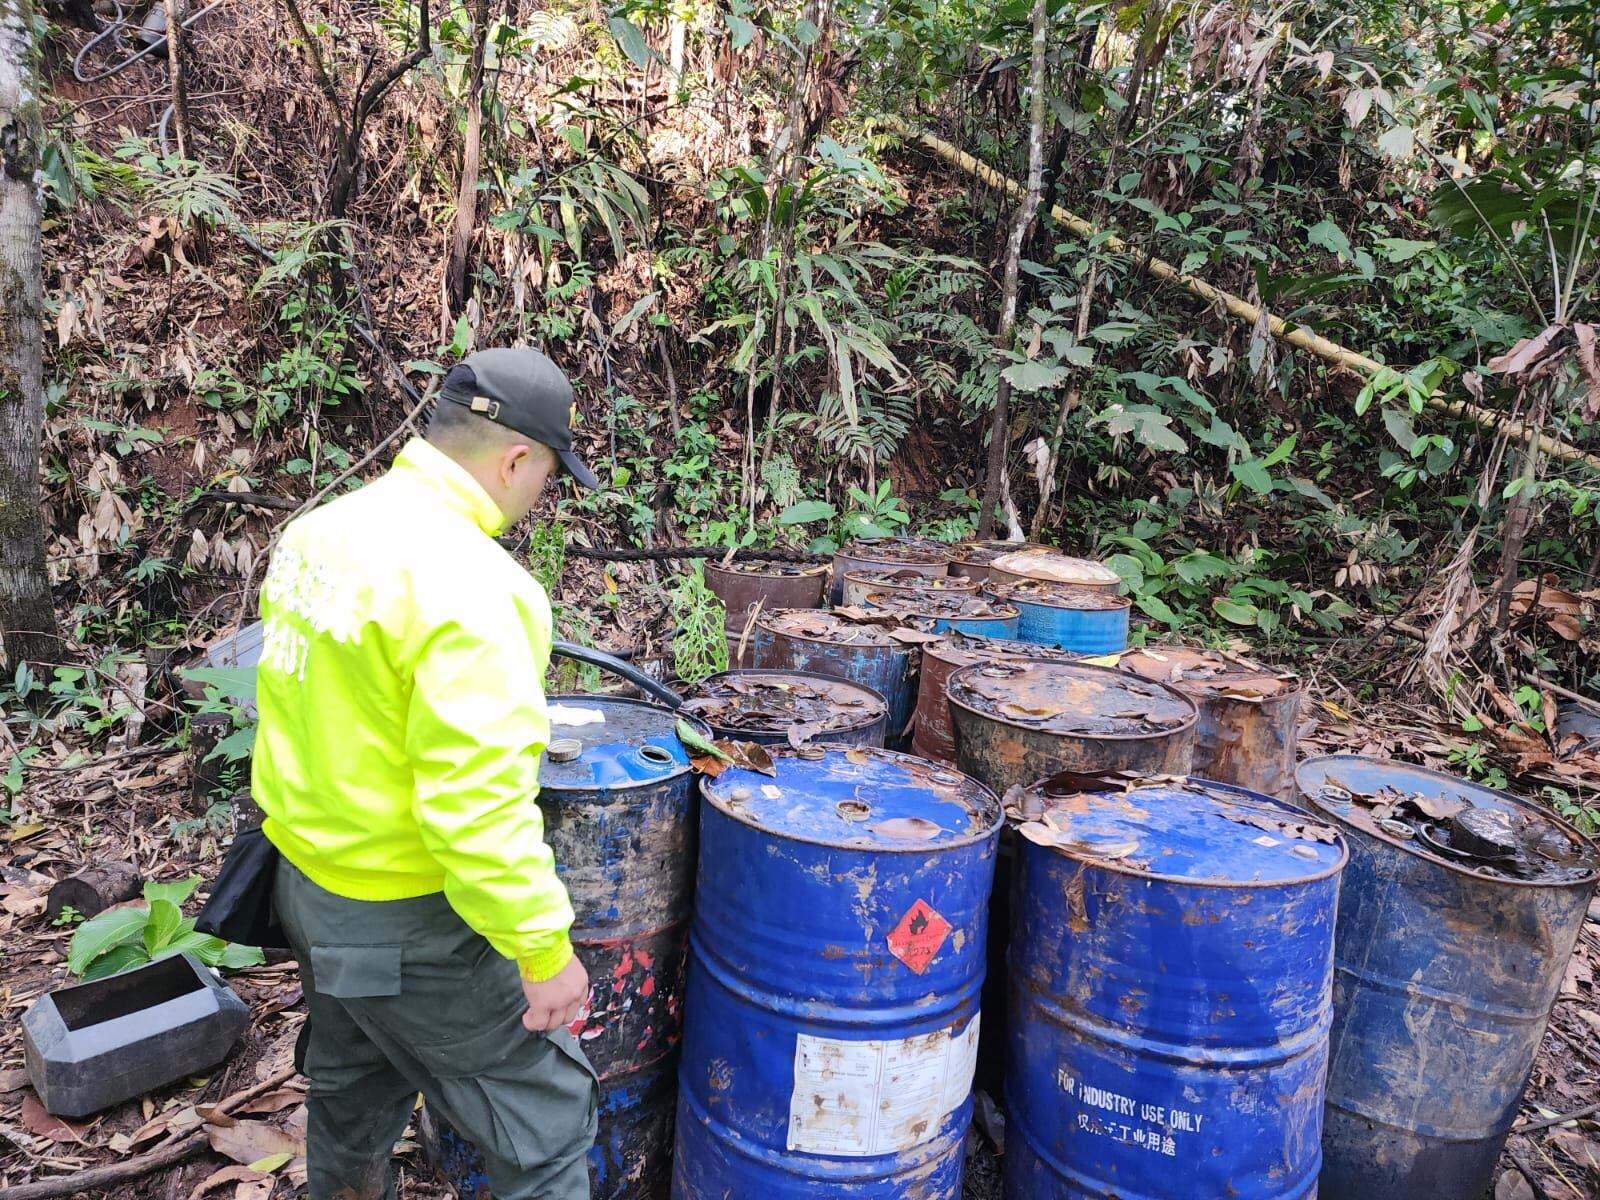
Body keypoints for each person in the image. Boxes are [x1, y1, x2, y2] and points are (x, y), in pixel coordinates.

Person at [251, 347, 602, 1200]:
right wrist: (542, 949)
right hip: (411, 927)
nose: (537, 498)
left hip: (309, 892)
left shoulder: (317, 533)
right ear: (517, 458)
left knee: (354, 1091)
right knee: (548, 1128)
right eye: (548, 476)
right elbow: (476, 809)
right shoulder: (474, 585)